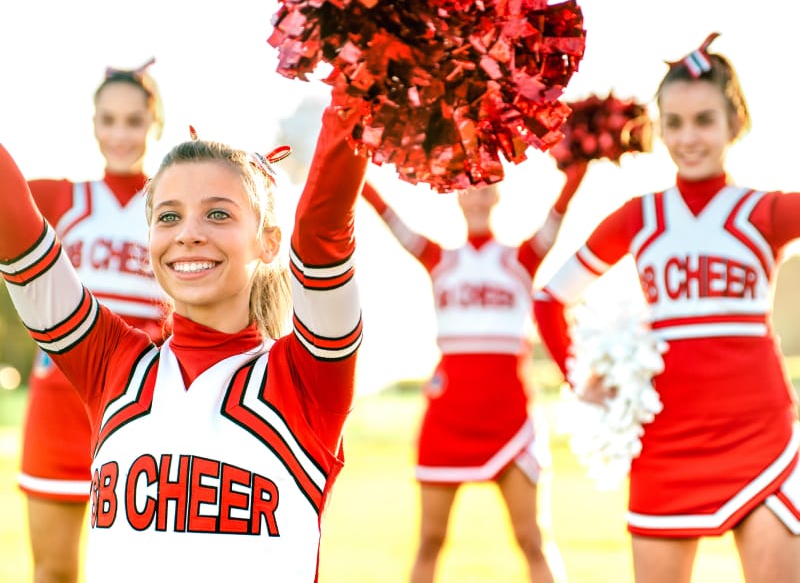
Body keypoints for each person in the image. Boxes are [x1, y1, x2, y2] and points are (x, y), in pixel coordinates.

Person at [0, 83, 368, 581]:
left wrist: (364, 79)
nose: (188, 232)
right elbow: (20, 235)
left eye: (218, 213)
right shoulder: (112, 364)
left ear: (269, 242)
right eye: (168, 216)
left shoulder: (305, 377)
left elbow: (323, 231)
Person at [533, 33, 800, 583]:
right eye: (673, 123)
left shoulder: (763, 212)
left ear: (735, 123)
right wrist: (581, 380)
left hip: (761, 436)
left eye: (704, 120)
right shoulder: (640, 218)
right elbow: (548, 298)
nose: (688, 137)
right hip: (666, 442)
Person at [360, 162, 587, 583]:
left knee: (532, 539)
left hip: (509, 415)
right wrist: (354, 166)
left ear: (497, 195)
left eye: (486, 186)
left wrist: (587, 156)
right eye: (467, 187)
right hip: (450, 414)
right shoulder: (439, 259)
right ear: (456, 195)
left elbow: (559, 212)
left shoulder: (521, 258)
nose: (477, 195)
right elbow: (388, 216)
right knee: (429, 539)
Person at [16, 59, 169, 583]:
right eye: (108, 120)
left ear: (155, 123)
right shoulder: (61, 197)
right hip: (58, 407)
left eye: (133, 120)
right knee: (54, 572)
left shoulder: (172, 204)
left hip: (141, 412)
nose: (121, 134)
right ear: (93, 126)